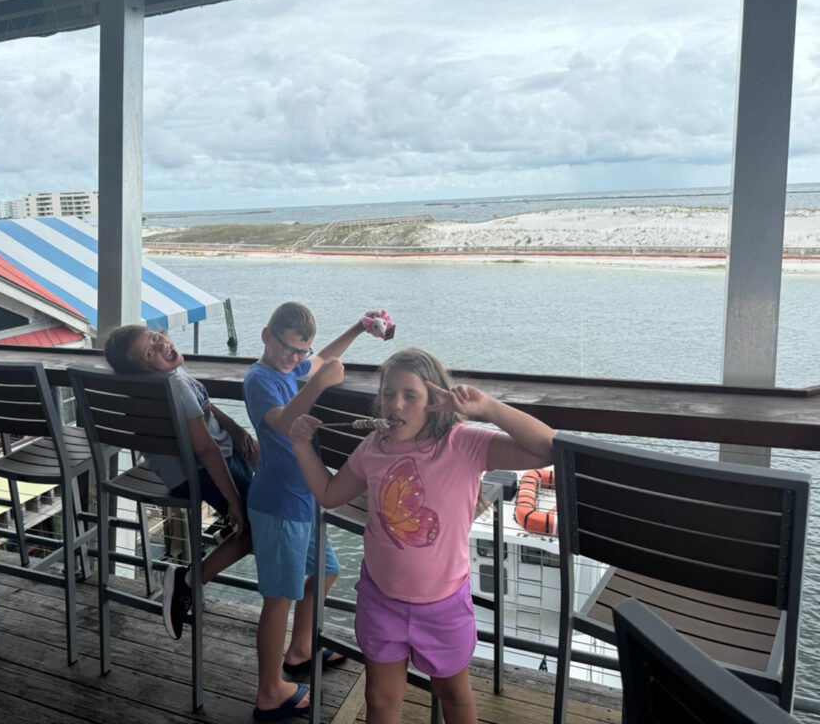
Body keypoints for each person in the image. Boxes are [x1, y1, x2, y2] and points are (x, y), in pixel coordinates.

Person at [290, 348, 555, 724]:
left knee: (454, 695)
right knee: (380, 699)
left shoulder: (462, 443)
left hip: (443, 607)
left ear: (434, 401)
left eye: (410, 395)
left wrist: (488, 408)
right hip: (381, 600)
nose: (395, 404)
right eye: (388, 394)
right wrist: (301, 446)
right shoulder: (373, 446)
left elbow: (547, 449)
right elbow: (330, 494)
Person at [244, 302, 387, 722]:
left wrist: (357, 329)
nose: (295, 358)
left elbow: (323, 358)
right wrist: (319, 384)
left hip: (301, 499)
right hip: (278, 504)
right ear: (267, 336)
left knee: (326, 571)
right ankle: (269, 691)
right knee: (279, 599)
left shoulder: (291, 368)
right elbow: (283, 422)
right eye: (289, 348)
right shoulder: (259, 379)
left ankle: (301, 648)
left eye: (300, 352)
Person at [103, 324, 258, 641]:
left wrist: (234, 428)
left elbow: (202, 407)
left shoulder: (167, 377)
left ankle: (228, 530)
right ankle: (188, 580)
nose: (161, 345)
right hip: (200, 471)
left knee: (262, 461)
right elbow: (206, 450)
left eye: (155, 338)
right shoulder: (174, 384)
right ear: (144, 367)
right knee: (258, 528)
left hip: (187, 467)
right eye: (150, 351)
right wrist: (233, 502)